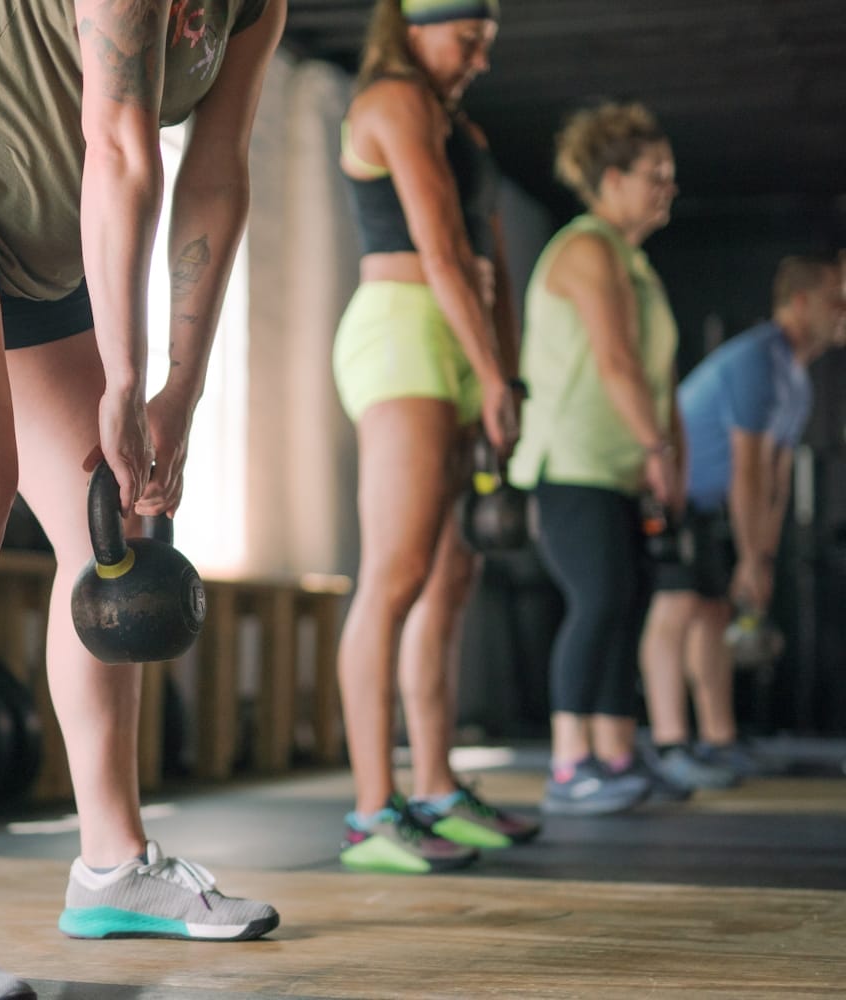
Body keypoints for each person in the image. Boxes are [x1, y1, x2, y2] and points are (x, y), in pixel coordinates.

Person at [0, 0, 286, 996]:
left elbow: (219, 172)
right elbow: (123, 149)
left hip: (43, 245)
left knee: (111, 523)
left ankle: (112, 864)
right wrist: (125, 379)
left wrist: (185, 384)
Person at [333, 0, 540, 875]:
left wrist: (505, 371)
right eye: (469, 40)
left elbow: (491, 261)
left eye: (487, 45)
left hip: (460, 341)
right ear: (417, 27)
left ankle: (439, 790)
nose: (479, 59)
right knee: (398, 572)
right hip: (404, 330)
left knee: (453, 574)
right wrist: (487, 373)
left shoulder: (470, 134)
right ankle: (373, 810)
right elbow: (442, 248)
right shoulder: (391, 100)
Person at [509, 101, 687, 817]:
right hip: (573, 461)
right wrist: (658, 447)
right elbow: (615, 362)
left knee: (628, 602)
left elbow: (656, 372)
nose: (668, 186)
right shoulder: (587, 248)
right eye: (656, 174)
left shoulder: (633, 261)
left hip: (615, 466)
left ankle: (615, 754)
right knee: (600, 599)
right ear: (610, 178)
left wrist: (658, 452)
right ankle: (569, 764)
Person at [639, 254, 846, 789]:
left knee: (714, 612)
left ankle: (718, 739)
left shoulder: (796, 379)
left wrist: (765, 559)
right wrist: (751, 556)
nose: (844, 311)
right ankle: (668, 744)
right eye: (835, 301)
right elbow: (747, 472)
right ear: (799, 304)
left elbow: (776, 482)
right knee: (678, 608)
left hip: (710, 507)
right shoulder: (759, 360)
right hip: (670, 494)